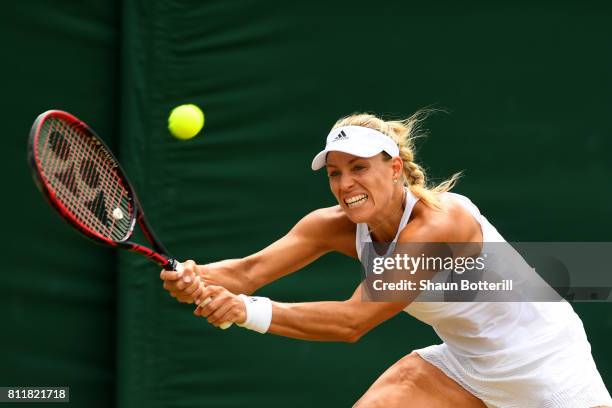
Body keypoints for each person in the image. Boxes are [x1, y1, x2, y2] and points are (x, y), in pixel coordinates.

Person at [160, 111, 612, 407]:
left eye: (359, 168)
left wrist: (241, 309)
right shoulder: (331, 224)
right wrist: (195, 277)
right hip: (468, 367)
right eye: (335, 172)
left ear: (394, 169)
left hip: (549, 371)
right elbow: (247, 272)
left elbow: (351, 322)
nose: (345, 184)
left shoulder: (440, 224)